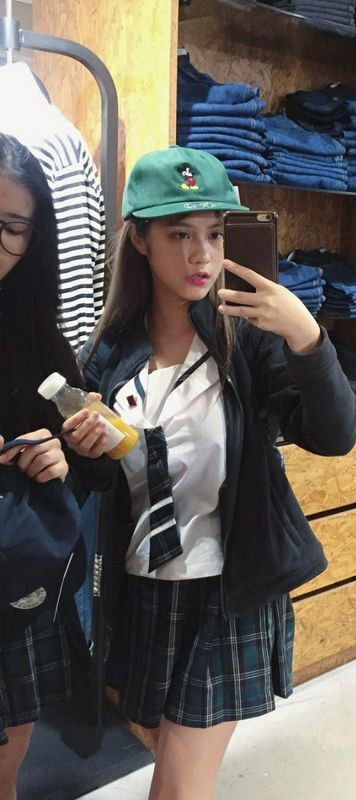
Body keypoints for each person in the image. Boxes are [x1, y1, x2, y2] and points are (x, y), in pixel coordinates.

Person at [64, 146, 356, 799]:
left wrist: (308, 339)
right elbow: (100, 485)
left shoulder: (245, 339)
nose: (202, 255)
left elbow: (335, 435)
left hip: (227, 593)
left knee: (176, 788)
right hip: (144, 591)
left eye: (215, 233)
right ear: (139, 240)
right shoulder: (109, 355)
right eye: (179, 234)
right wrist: (83, 452)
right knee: (165, 756)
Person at [0, 133, 100, 799]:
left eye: (11, 228)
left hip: (15, 574)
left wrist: (66, 456)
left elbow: (91, 455)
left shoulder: (39, 334)